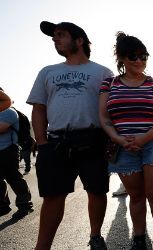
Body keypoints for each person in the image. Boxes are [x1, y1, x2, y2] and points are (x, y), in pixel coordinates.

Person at [27, 21, 113, 250]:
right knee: (53, 197)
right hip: (56, 142)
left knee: (96, 191)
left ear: (79, 40)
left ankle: (96, 236)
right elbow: (39, 109)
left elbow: (110, 110)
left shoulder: (103, 72)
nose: (55, 39)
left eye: (61, 35)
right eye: (54, 36)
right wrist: (42, 142)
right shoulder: (47, 72)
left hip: (93, 139)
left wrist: (112, 140)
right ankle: (42, 246)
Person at [99, 31, 153, 250]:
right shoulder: (108, 84)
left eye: (144, 56)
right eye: (133, 56)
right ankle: (138, 238)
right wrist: (117, 139)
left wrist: (144, 137)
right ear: (121, 58)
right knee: (136, 196)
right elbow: (104, 117)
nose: (140, 60)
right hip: (123, 147)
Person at [0, 89, 34, 218]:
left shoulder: (9, 112)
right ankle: (3, 207)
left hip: (8, 150)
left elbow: (1, 128)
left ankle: (24, 204)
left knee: (13, 178)